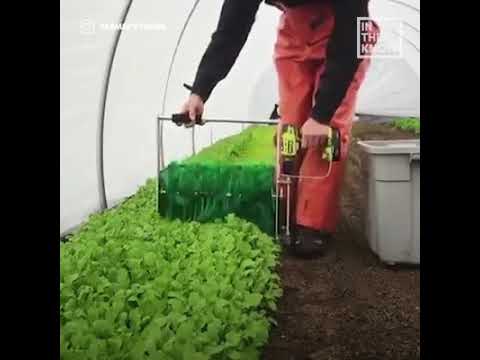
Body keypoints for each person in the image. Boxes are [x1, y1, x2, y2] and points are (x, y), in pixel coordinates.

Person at [180, 0, 378, 256]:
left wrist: (320, 116)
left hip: (346, 34)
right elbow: (231, 30)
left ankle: (312, 225)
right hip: (295, 37)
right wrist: (199, 91)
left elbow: (350, 38)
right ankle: (284, 212)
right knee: (290, 130)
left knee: (327, 132)